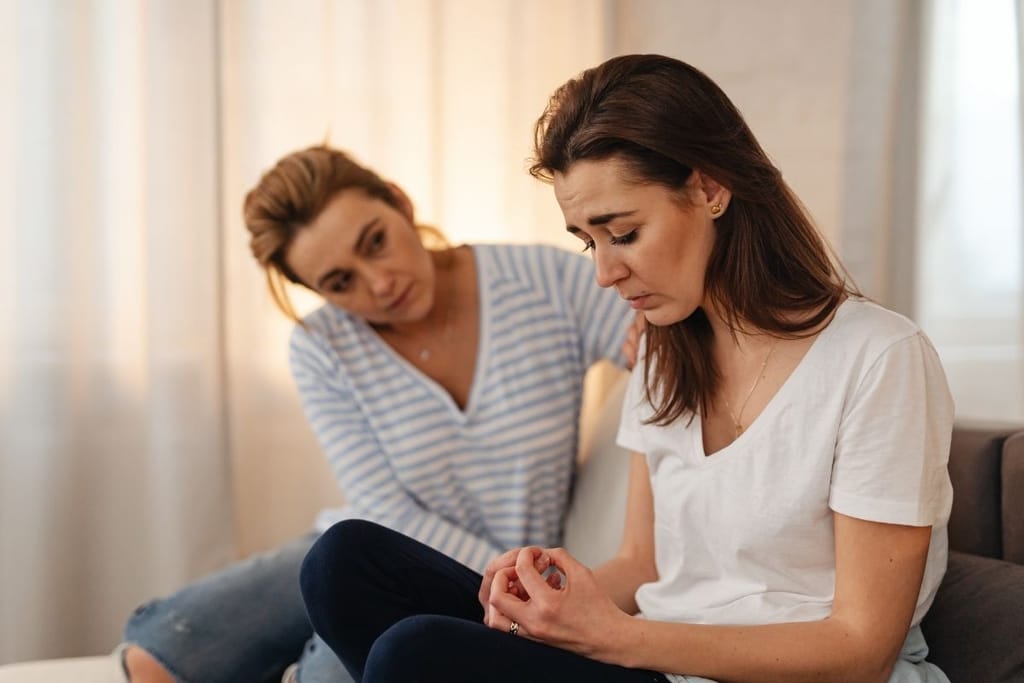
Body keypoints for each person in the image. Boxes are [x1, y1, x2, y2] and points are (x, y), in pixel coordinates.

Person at [299, 54, 955, 683]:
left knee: (413, 655)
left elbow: (861, 648)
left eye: (623, 232)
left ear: (709, 186)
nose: (604, 273)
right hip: (652, 660)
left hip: (719, 667)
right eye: (588, 240)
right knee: (343, 561)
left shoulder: (878, 358)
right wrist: (542, 600)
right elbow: (641, 565)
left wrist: (615, 637)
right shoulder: (665, 352)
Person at [118, 144, 636, 683]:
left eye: (376, 242)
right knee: (153, 660)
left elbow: (650, 323)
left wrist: (516, 586)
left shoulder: (540, 281)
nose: (380, 282)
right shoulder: (322, 345)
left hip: (485, 578)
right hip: (366, 553)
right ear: (316, 291)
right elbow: (383, 508)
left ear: (399, 204)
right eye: (341, 282)